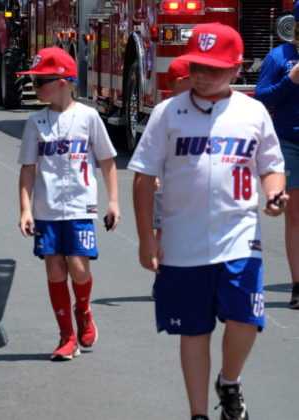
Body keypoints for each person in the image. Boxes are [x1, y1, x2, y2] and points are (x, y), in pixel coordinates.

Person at [128, 23, 286, 420]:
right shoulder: (169, 113)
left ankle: (229, 381)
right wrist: (147, 238)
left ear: (237, 69)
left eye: (214, 68)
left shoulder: (253, 112)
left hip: (239, 237)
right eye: (197, 65)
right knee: (194, 330)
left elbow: (271, 166)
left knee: (245, 319)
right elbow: (144, 178)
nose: (202, 75)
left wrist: (273, 192)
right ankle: (198, 413)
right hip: (183, 243)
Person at [16, 47, 120, 361]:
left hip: (80, 208)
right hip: (45, 210)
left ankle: (84, 311)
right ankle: (66, 337)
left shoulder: (88, 117)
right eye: (32, 82)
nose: (34, 88)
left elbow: (107, 160)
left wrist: (113, 201)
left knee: (77, 268)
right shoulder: (36, 122)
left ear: (63, 81)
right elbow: (28, 168)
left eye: (39, 81)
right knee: (55, 270)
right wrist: (24, 208)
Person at [254, 1, 299, 310]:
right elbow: (262, 96)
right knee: (295, 217)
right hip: (289, 142)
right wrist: (291, 80)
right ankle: (298, 285)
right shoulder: (279, 57)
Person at [149, 56, 192, 301]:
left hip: (193, 185)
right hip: (166, 181)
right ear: (176, 83)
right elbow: (151, 148)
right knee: (164, 231)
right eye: (189, 79)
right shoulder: (162, 111)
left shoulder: (203, 109)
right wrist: (153, 174)